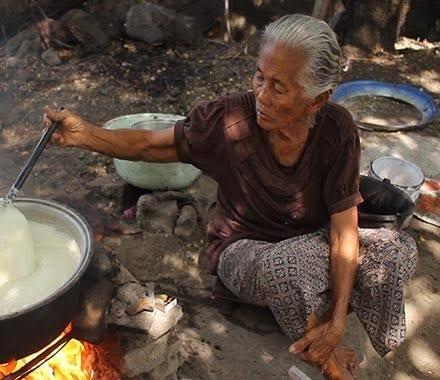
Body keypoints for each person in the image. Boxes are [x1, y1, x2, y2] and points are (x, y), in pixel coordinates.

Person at [43, 14, 417, 380]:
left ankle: (350, 339)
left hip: (306, 247)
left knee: (396, 249)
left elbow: (343, 229)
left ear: (316, 101)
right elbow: (148, 145)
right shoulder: (229, 120)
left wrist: (338, 322)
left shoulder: (337, 131)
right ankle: (323, 352)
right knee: (289, 265)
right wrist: (85, 135)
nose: (261, 95)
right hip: (244, 254)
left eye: (279, 87)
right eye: (260, 76)